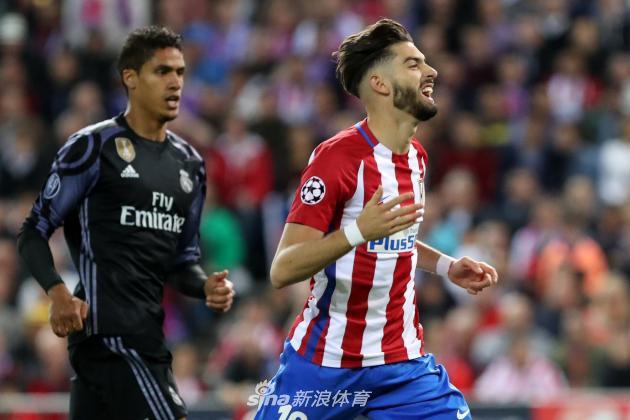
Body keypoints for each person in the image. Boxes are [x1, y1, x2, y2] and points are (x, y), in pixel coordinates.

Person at [256, 19, 498, 419]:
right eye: (413, 64)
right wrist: (358, 231)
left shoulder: (416, 157)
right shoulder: (336, 159)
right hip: (325, 365)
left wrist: (446, 265)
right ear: (380, 84)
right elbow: (283, 269)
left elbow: (393, 236)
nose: (431, 71)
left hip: (402, 366)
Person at [17, 26, 235, 420]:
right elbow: (33, 231)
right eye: (162, 71)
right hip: (108, 335)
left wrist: (204, 286)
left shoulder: (190, 165)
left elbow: (181, 261)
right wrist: (57, 292)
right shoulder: (92, 147)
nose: (175, 82)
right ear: (130, 78)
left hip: (148, 336)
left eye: (180, 72)